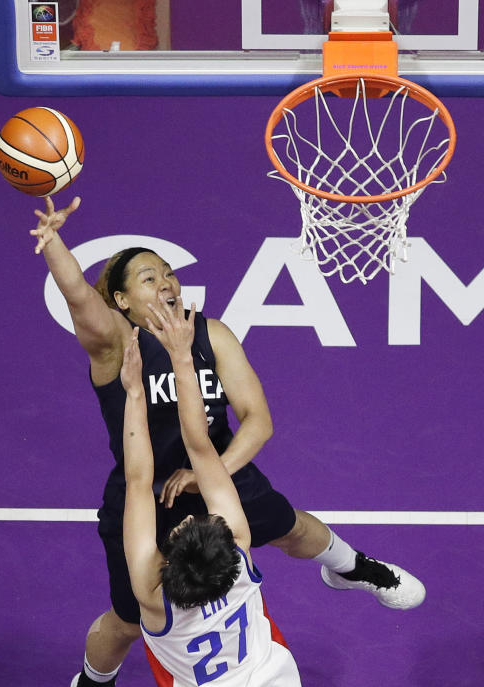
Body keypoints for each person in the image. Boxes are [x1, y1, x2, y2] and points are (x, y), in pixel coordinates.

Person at [27, 196, 424, 687]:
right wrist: (54, 244)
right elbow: (80, 299)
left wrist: (210, 472)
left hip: (218, 474)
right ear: (123, 301)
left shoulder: (213, 335)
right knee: (128, 621)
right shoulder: (116, 345)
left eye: (169, 272)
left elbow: (257, 420)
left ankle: (352, 568)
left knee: (293, 528)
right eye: (149, 277)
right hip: (148, 498)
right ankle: (93, 680)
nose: (167, 281)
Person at [121, 302, 300, 686]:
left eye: (184, 525)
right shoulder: (231, 549)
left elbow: (137, 480)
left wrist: (135, 394)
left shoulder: (159, 598)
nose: (188, 516)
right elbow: (199, 446)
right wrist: (183, 358)